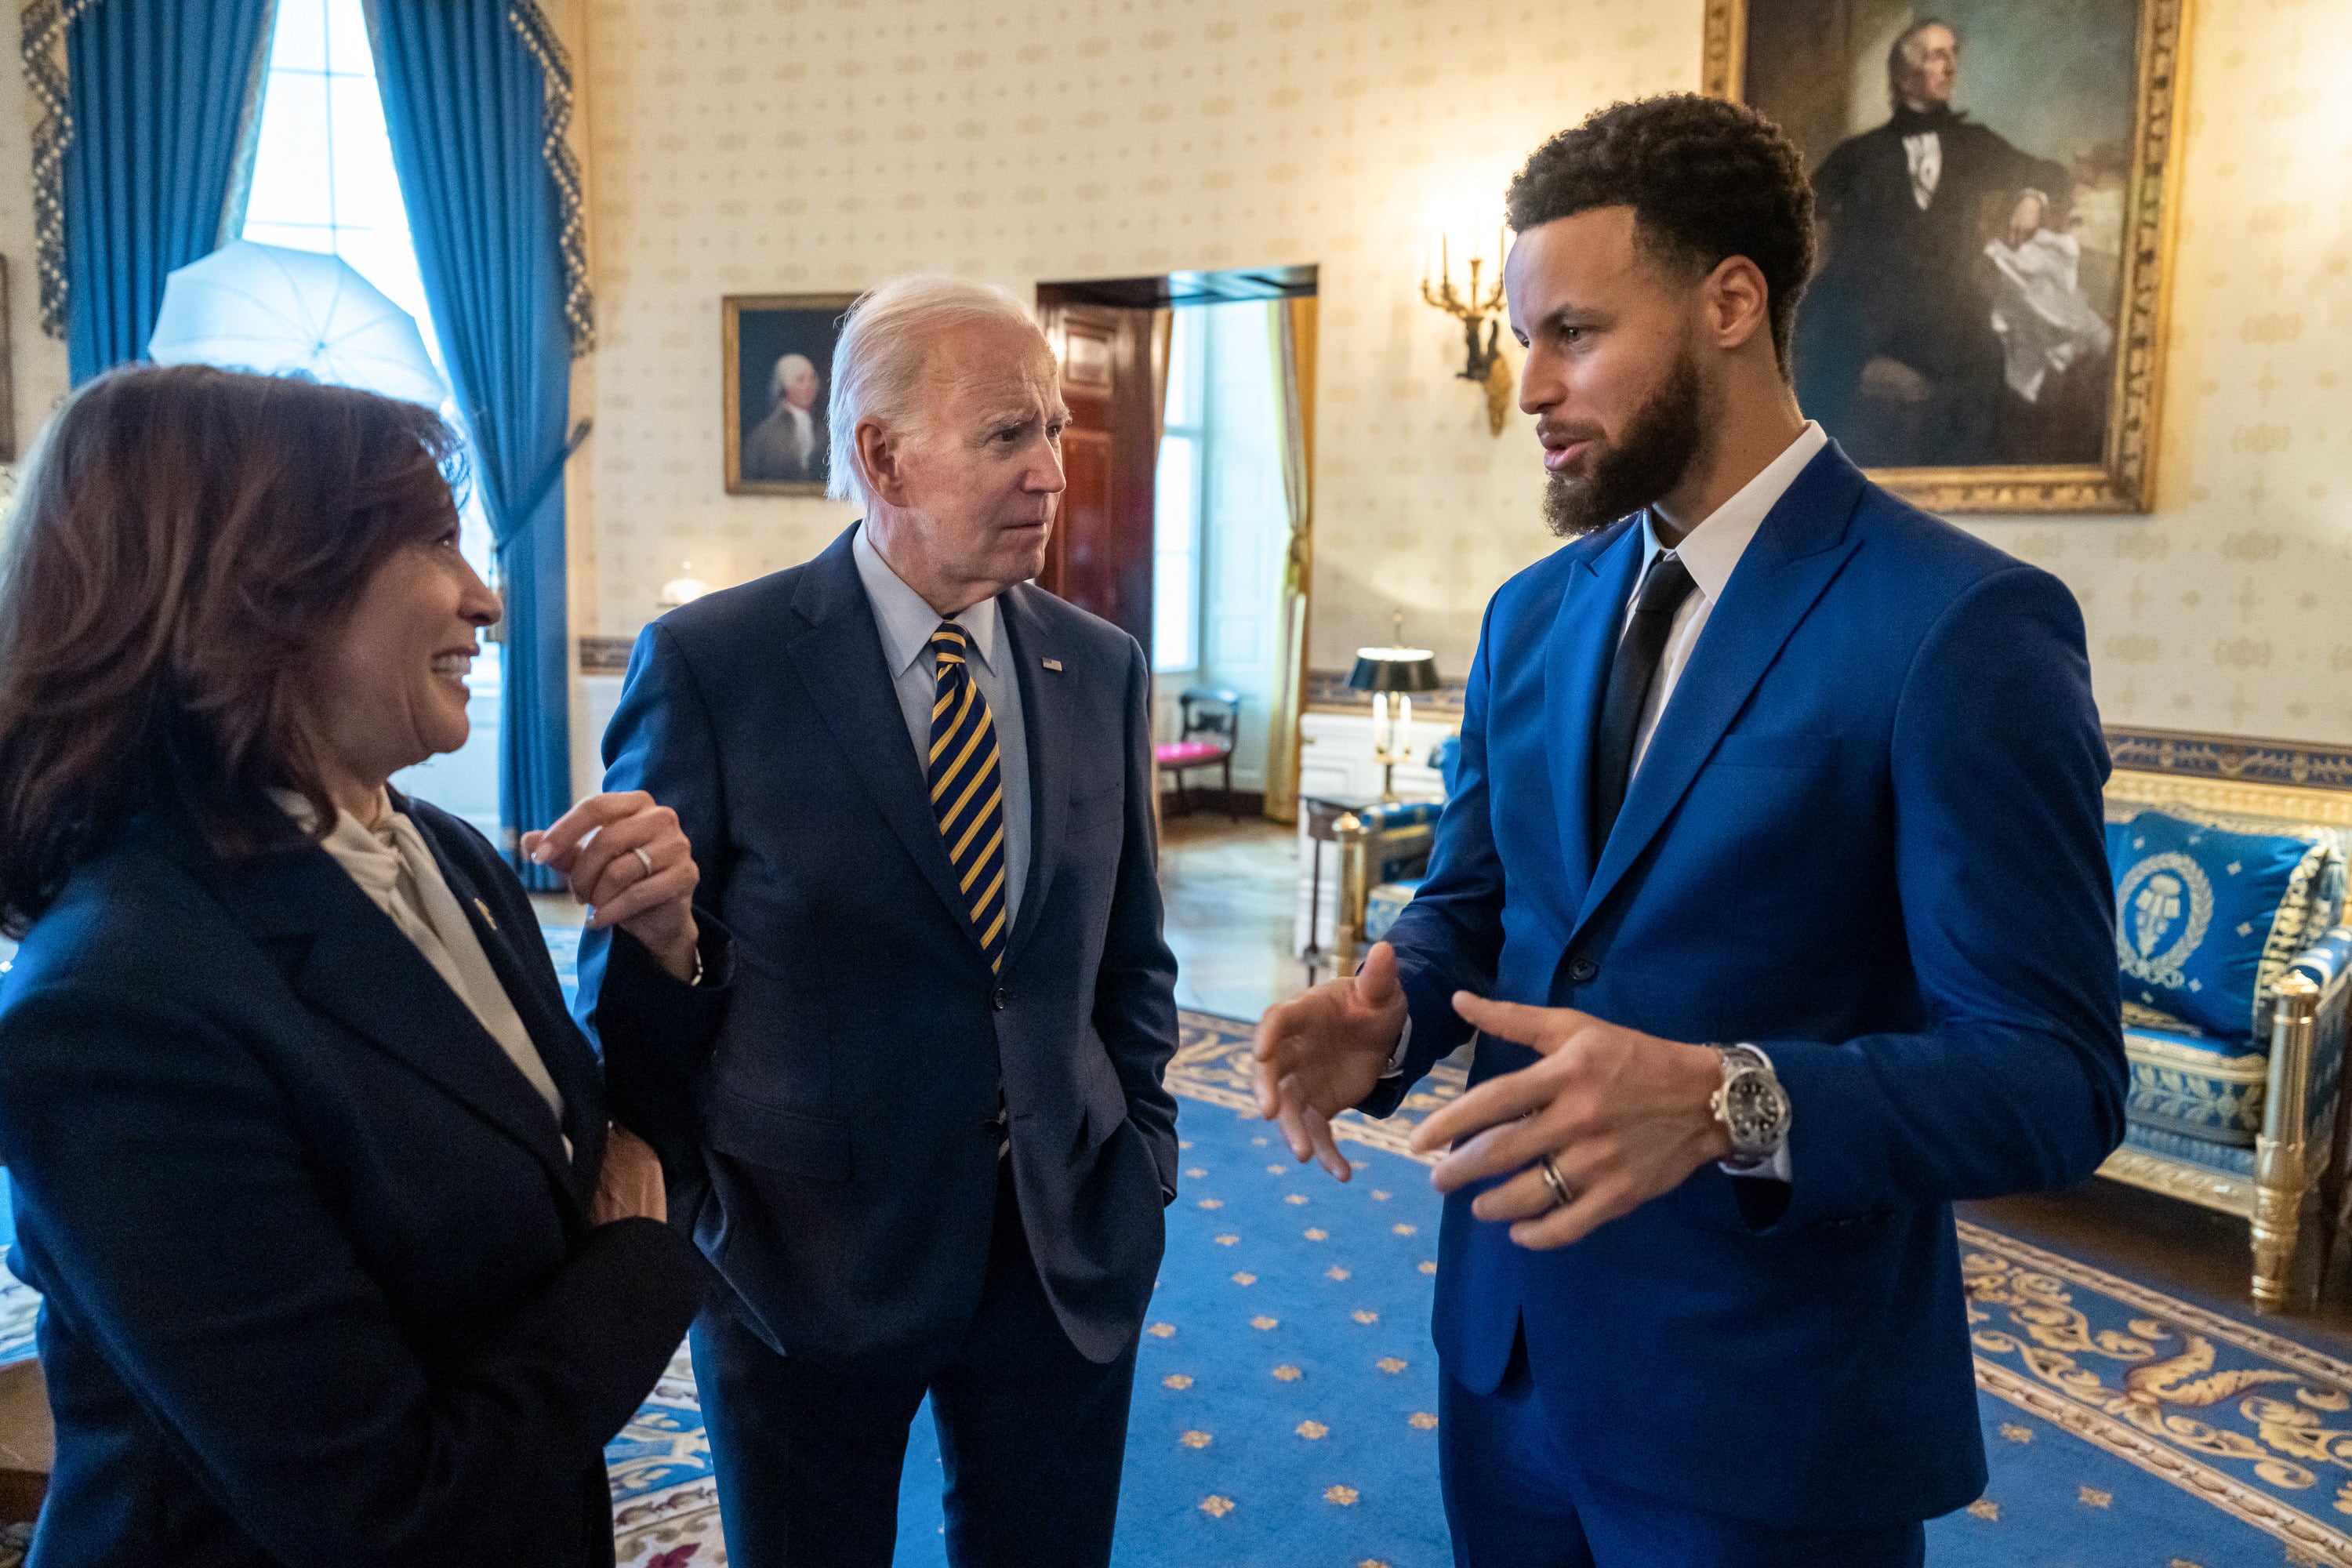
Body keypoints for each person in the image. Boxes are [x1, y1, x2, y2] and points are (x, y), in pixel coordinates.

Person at [1254, 96, 2123, 1566]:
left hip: (1770, 1403)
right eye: (1523, 336)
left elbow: (2054, 1078)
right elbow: (1483, 907)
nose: (1529, 385)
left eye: (1574, 332)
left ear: (1732, 301)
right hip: (1510, 1359)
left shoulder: (1960, 627)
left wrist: (1736, 1101)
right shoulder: (1533, 614)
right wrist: (1381, 1022)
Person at [0, 365, 720, 1568]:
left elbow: (595, 1145)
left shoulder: (433, 848)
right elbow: (386, 1512)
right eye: (437, 544)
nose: (487, 599)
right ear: (264, 586)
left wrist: (659, 950)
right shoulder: (114, 1007)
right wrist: (639, 1264)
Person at [577, 274, 1178, 1568]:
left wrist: (1145, 1166)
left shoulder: (1103, 666)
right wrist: (702, 1221)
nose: (1051, 474)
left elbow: (1128, 960)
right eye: (1008, 435)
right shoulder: (713, 666)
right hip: (809, 1263)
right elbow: (636, 1004)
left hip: (1064, 1250)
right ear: (881, 454)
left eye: (1055, 433)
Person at [1793, 18, 2070, 465]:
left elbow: (2049, 172)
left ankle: (1962, 487)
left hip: (1941, 305)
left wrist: (2032, 196)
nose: (1951, 67)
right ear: (1904, 77)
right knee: (1818, 343)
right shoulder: (1860, 153)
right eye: (1937, 56)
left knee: (1984, 358)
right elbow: (1801, 208)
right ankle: (1820, 488)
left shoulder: (1972, 144)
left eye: (1953, 55)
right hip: (1860, 300)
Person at [741, 350, 829, 483]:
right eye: (800, 379)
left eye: (812, 378)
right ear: (784, 385)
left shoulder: (824, 431)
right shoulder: (765, 434)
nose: (808, 386)